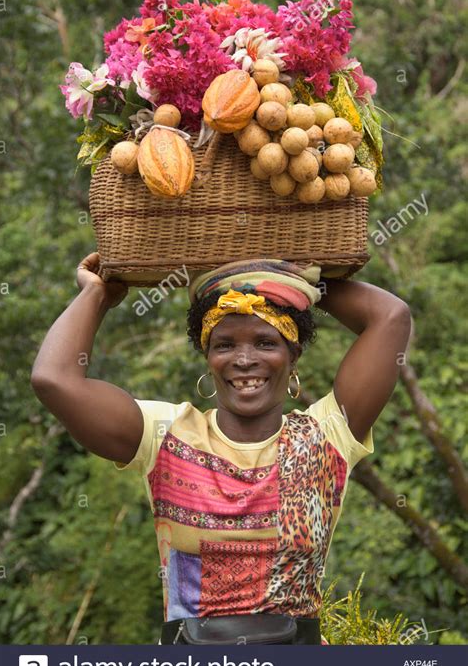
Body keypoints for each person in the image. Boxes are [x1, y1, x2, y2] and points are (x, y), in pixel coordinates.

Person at [31, 252, 411, 645]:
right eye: (224, 344)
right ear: (208, 358)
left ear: (293, 355)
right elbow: (53, 380)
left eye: (266, 342)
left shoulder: (325, 437)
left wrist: (295, 279)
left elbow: (391, 317)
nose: (244, 360)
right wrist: (96, 295)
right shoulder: (164, 436)